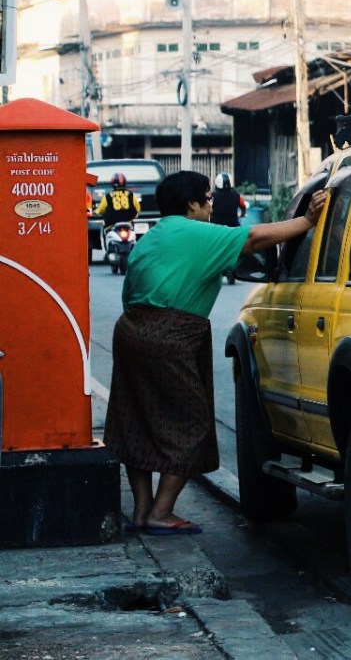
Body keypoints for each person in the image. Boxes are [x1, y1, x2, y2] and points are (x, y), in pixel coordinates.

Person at [103, 171, 326, 535]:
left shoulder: (152, 235)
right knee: (192, 423)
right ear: (191, 204)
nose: (210, 205)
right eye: (207, 199)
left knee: (135, 420)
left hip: (131, 328)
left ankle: (142, 511)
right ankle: (160, 512)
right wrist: (307, 220)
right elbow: (254, 238)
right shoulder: (195, 232)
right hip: (170, 334)